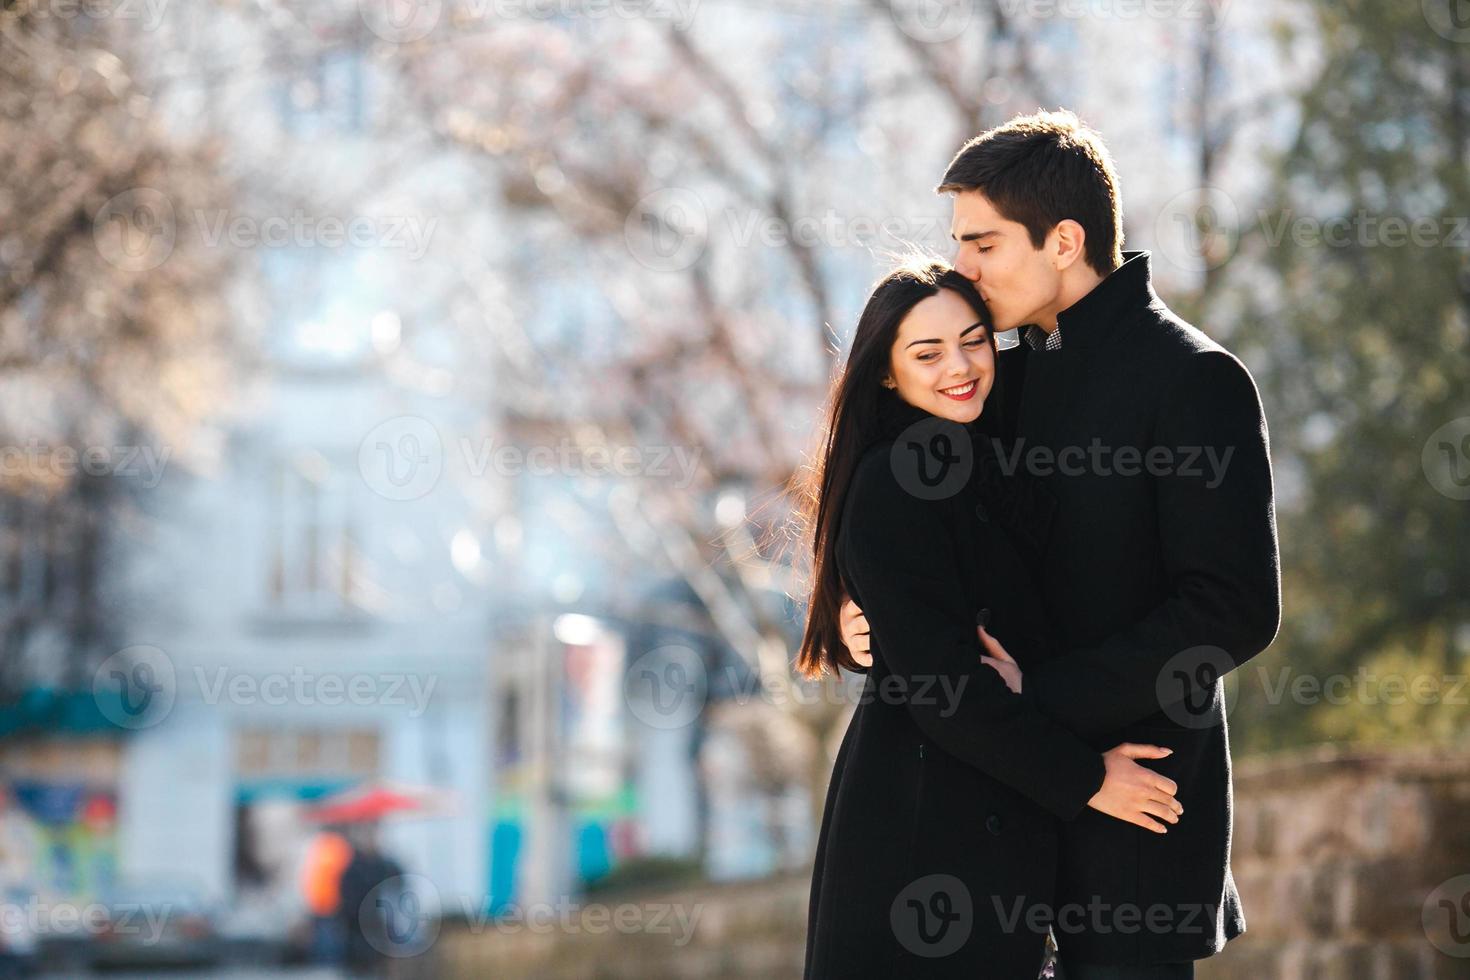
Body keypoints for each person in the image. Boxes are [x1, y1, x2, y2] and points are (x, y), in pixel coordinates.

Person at [838, 110, 1281, 977]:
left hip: (1133, 817)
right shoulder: (1001, 373)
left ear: (1065, 240)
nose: (963, 268)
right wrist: (868, 618)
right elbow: (916, 533)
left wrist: (1043, 702)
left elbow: (1234, 609)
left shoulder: (1194, 379)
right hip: (997, 817)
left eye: (984, 244)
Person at [798, 258, 1186, 979]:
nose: (960, 366)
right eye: (927, 352)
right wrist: (1089, 777)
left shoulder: (984, 456)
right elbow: (947, 691)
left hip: (982, 839)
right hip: (919, 849)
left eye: (975, 340)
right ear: (885, 374)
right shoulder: (895, 481)